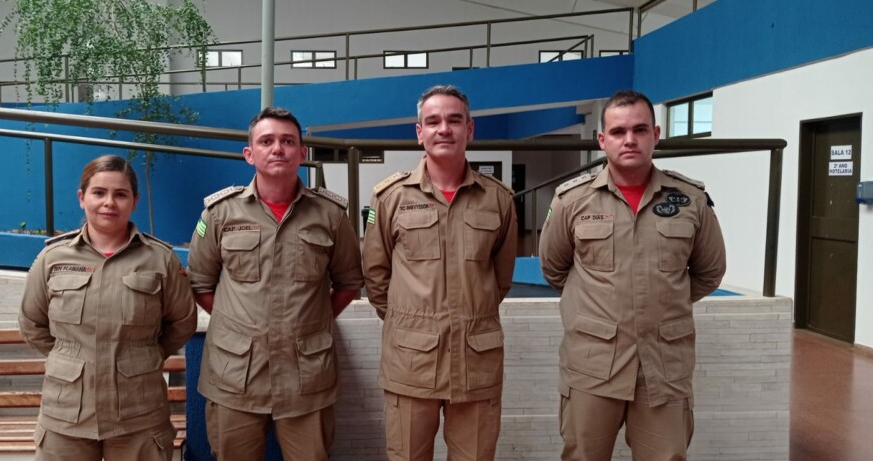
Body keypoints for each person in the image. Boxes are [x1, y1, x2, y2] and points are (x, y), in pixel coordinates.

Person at [538, 89, 727, 461]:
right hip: (592, 366)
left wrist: (662, 298)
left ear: (655, 135)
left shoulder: (690, 200)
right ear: (602, 140)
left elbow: (710, 271)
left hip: (664, 367)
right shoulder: (571, 201)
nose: (629, 139)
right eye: (618, 131)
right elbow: (554, 268)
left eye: (639, 130)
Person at [186, 107, 364, 461]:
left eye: (288, 141)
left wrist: (311, 321)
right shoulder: (219, 213)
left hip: (306, 377)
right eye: (266, 141)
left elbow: (348, 283)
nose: (278, 149)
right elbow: (200, 284)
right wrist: (237, 324)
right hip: (235, 375)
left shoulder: (330, 215)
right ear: (249, 154)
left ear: (302, 152)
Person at [362, 85, 518, 461]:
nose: (443, 129)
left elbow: (500, 279)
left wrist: (468, 314)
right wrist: (411, 324)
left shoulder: (499, 199)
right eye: (433, 121)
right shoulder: (390, 198)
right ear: (420, 133)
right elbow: (375, 276)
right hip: (411, 364)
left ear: (470, 129)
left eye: (454, 120)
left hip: (476, 363)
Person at [19, 154, 198, 461]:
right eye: (99, 192)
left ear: (134, 201)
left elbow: (182, 321)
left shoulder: (160, 260)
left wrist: (144, 355)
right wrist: (71, 358)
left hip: (138, 413)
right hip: (66, 414)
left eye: (120, 194)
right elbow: (31, 323)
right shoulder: (53, 259)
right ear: (82, 197)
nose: (109, 203)